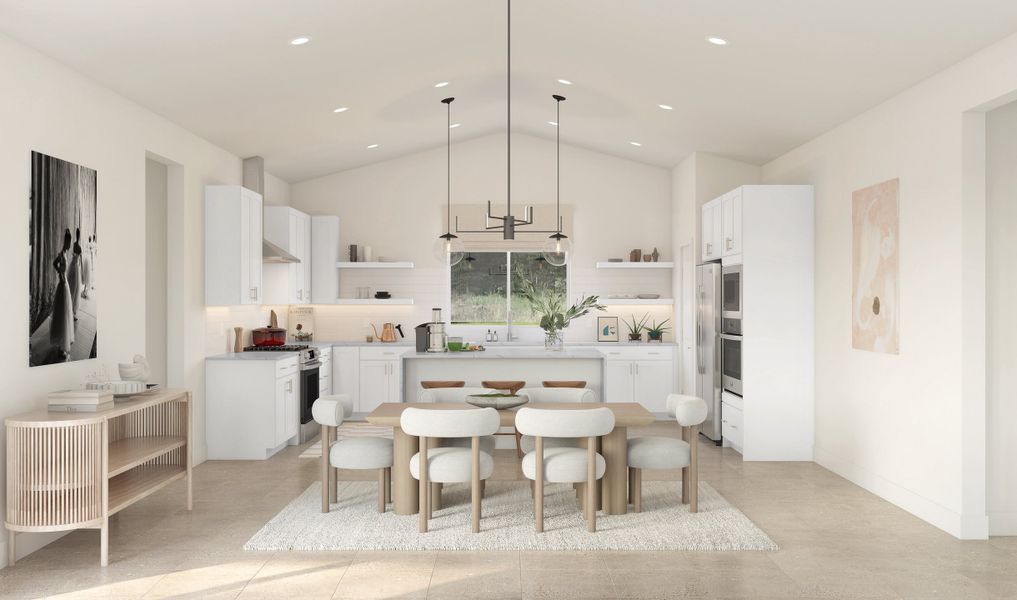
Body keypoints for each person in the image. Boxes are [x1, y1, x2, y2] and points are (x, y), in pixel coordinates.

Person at [50, 229, 74, 357]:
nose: (70, 245)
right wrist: (60, 275)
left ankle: (62, 343)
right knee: (62, 315)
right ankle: (61, 347)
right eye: (69, 242)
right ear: (66, 242)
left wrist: (62, 275)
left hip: (66, 286)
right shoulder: (61, 253)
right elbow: (55, 264)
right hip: (63, 285)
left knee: (65, 314)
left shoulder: (65, 252)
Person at [68, 227, 83, 319]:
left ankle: (71, 309)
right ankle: (72, 311)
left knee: (72, 287)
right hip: (75, 268)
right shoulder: (79, 247)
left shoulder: (74, 245)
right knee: (75, 288)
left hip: (72, 266)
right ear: (79, 236)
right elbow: (80, 261)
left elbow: (74, 256)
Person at [81, 234, 93, 299]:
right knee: (87, 276)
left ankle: (85, 290)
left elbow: (86, 252)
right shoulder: (90, 245)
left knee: (87, 276)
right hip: (88, 261)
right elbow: (90, 254)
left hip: (86, 260)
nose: (89, 239)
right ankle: (85, 291)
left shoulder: (87, 245)